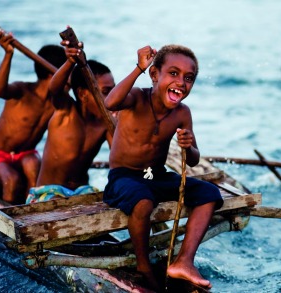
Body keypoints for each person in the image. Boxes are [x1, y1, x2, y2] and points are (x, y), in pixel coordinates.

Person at [102, 44, 223, 291]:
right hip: (124, 177)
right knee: (143, 201)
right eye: (174, 73)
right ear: (155, 74)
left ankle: (184, 261)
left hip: (156, 176)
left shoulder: (182, 113)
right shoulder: (136, 97)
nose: (181, 82)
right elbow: (109, 102)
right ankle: (143, 265)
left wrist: (188, 146)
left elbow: (193, 160)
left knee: (210, 194)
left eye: (188, 78)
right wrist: (139, 68)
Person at [0, 30, 66, 204]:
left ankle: (32, 212)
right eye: (66, 73)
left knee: (35, 168)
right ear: (53, 75)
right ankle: (6, 223)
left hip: (26, 155)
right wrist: (8, 54)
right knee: (12, 180)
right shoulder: (22, 90)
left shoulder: (57, 103)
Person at [26, 40, 116, 203]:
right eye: (105, 92)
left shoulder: (105, 124)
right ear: (82, 95)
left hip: (81, 191)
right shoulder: (66, 110)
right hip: (48, 192)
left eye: (114, 91)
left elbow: (118, 156)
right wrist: (70, 61)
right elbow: (55, 88)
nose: (112, 98)